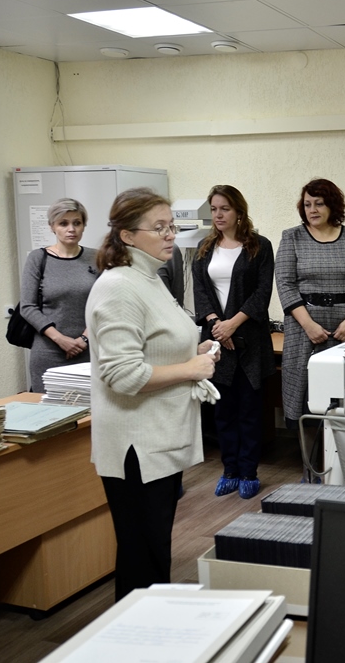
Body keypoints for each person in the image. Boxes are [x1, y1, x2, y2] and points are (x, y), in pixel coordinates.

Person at [86, 188, 219, 601]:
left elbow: (154, 343)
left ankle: (152, 626)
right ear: (127, 235)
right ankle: (136, 632)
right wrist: (191, 368)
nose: (170, 235)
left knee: (154, 550)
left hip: (159, 437)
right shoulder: (118, 287)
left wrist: (193, 351)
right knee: (143, 557)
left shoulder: (149, 278)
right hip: (136, 445)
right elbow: (122, 374)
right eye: (159, 227)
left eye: (171, 226)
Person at [193, 185, 275, 499]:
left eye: (224, 209)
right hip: (216, 340)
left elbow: (262, 294)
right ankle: (230, 470)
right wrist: (217, 325)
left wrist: (232, 325)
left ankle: (249, 473)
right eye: (214, 209)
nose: (218, 215)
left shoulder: (259, 246)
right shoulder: (204, 248)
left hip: (248, 339)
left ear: (239, 211)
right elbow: (200, 292)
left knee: (249, 409)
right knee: (223, 410)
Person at [275, 178, 345, 425]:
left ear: (332, 205)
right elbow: (285, 284)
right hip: (304, 329)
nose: (312, 210)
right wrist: (309, 325)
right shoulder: (292, 237)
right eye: (307, 204)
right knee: (306, 399)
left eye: (319, 204)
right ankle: (309, 449)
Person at [19, 198, 98, 392]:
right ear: (52, 227)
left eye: (77, 223)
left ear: (84, 226)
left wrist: (84, 339)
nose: (71, 229)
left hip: (88, 350)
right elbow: (27, 307)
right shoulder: (38, 258)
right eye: (63, 223)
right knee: (48, 407)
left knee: (88, 407)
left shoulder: (97, 258)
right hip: (48, 351)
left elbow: (105, 304)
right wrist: (60, 339)